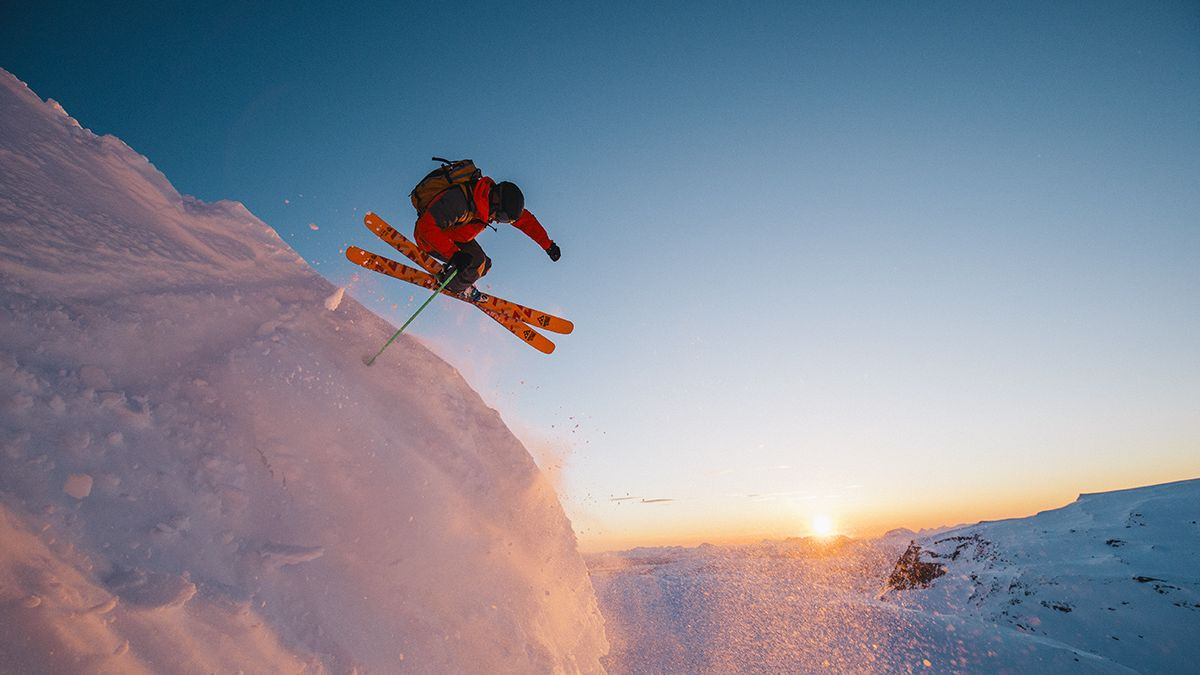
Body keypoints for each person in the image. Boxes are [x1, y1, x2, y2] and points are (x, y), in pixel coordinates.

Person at [414, 176, 560, 300]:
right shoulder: (459, 202)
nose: (497, 221)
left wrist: (548, 245)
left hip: (455, 234)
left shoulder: (486, 201)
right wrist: (453, 254)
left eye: (504, 221)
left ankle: (461, 280)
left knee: (485, 265)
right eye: (502, 218)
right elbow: (425, 227)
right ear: (496, 202)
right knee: (477, 263)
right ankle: (449, 285)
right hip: (429, 238)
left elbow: (526, 222)